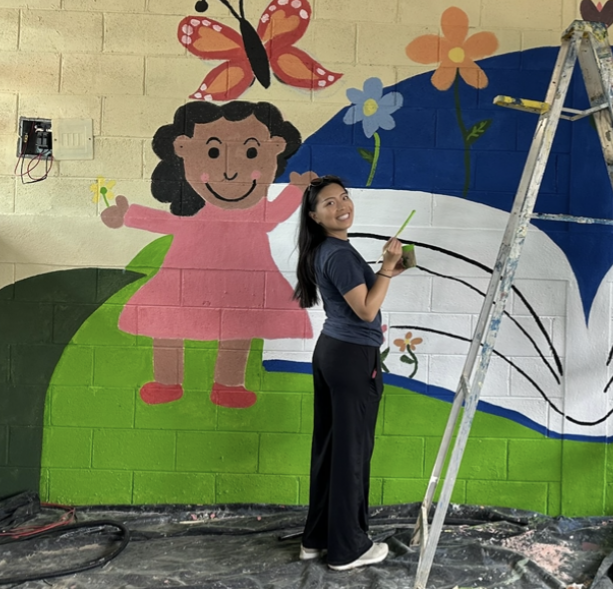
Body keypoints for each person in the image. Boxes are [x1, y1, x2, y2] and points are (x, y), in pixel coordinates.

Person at [101, 100, 314, 408]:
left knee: (239, 327)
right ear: (184, 150)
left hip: (243, 282)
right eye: (213, 152)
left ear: (275, 148)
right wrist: (128, 215)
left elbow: (276, 213)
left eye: (251, 152)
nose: (229, 170)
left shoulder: (257, 214)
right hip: (185, 280)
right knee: (167, 322)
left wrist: (298, 189)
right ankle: (167, 381)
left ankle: (228, 385)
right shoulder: (197, 214)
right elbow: (168, 222)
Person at [293, 175, 406, 570]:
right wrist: (387, 270)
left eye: (344, 197)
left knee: (331, 448)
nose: (341, 205)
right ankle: (347, 549)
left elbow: (359, 295)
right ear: (315, 216)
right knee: (351, 454)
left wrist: (391, 269)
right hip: (351, 357)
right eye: (328, 203)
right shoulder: (338, 253)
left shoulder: (330, 248)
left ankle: (316, 539)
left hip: (333, 353)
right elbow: (366, 310)